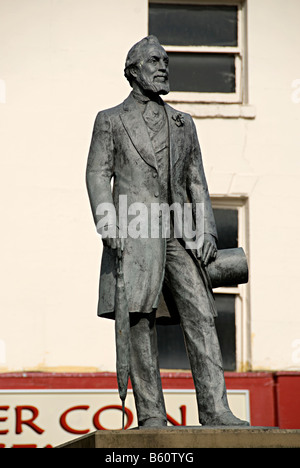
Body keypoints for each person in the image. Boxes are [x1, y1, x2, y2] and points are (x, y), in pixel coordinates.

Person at [86, 35, 249, 428]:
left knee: (202, 316)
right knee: (140, 323)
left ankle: (216, 410)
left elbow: (196, 181)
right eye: (155, 61)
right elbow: (96, 173)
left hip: (181, 235)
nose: (163, 67)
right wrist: (107, 222)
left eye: (166, 62)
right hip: (134, 234)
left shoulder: (183, 123)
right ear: (134, 70)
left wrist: (208, 231)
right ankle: (152, 415)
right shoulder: (110, 119)